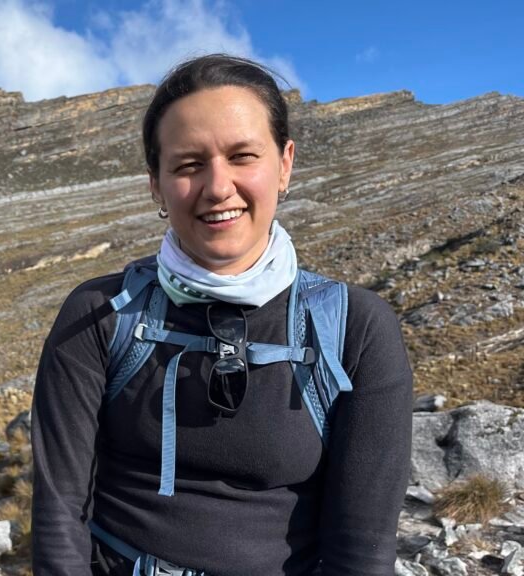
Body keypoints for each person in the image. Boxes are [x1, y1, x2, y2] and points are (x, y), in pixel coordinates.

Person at [30, 54, 413, 576]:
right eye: (188, 164)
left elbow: (361, 552)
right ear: (155, 185)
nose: (217, 186)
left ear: (284, 165)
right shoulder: (98, 315)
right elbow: (59, 520)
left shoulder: (356, 328)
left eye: (242, 156)